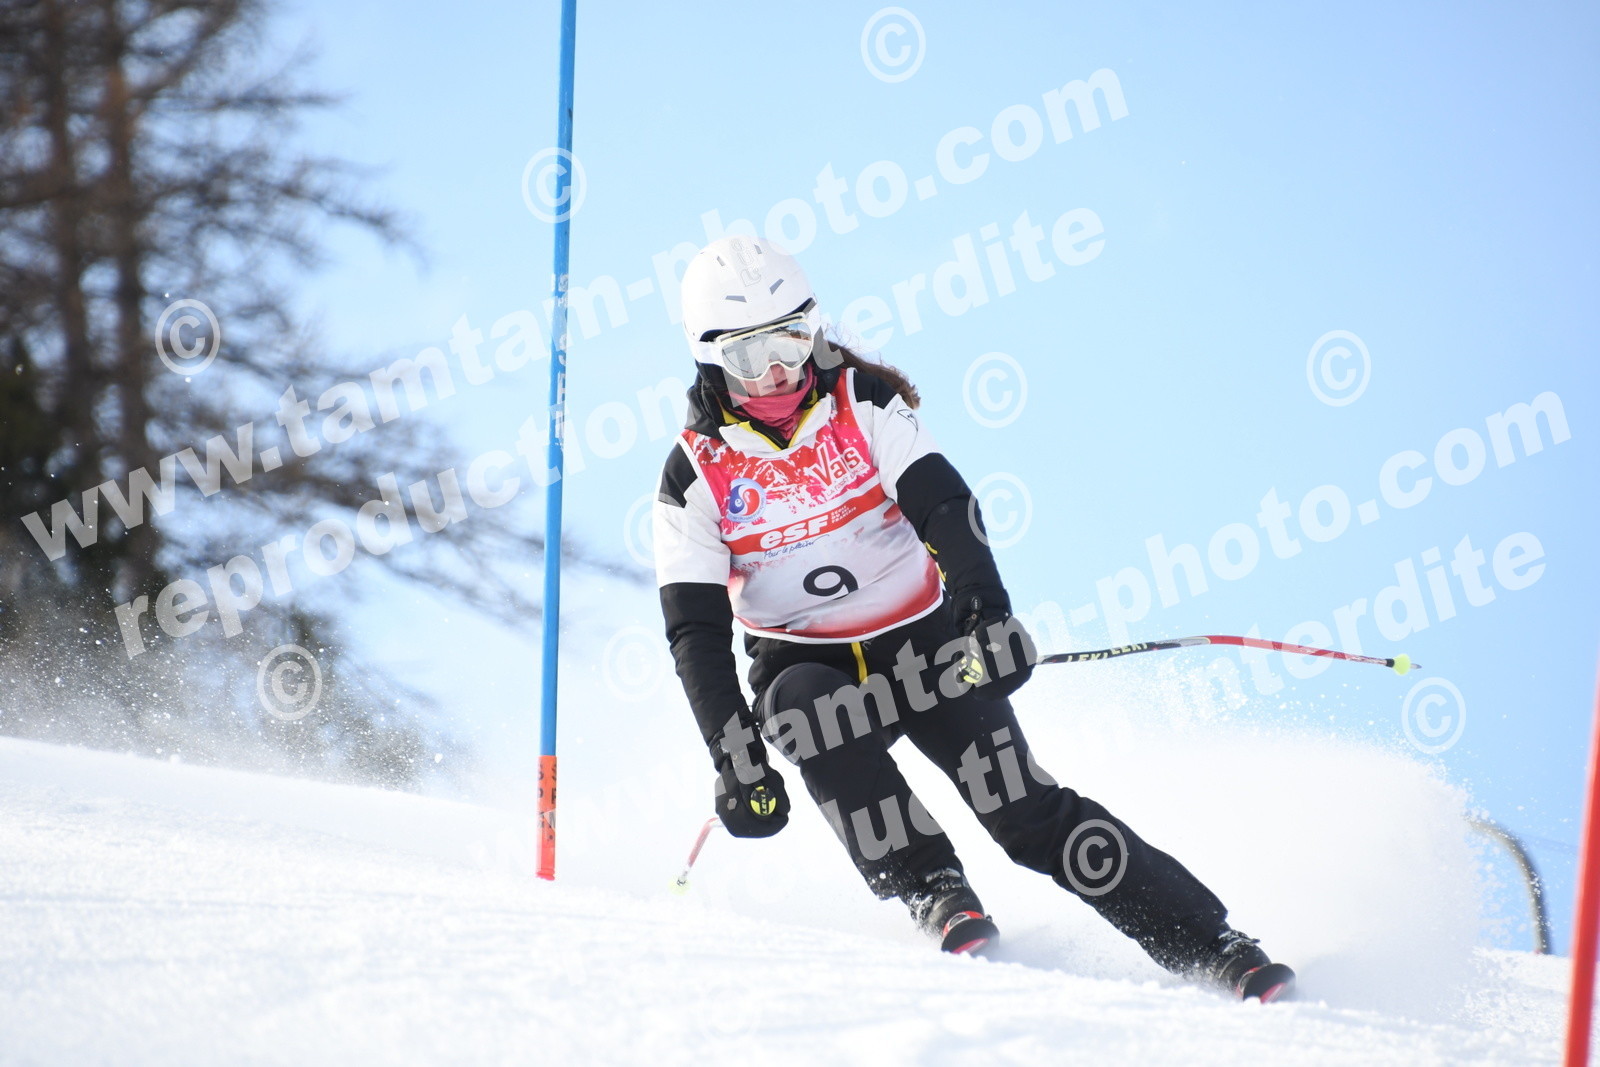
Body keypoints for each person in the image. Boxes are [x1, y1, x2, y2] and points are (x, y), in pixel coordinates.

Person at [651, 236, 1295, 1001]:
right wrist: (736, 758)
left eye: (790, 341)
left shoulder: (863, 404)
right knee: (804, 708)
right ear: (709, 356)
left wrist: (986, 615)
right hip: (804, 662)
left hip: (924, 646)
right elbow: (695, 632)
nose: (778, 374)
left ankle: (1214, 944)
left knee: (1025, 810)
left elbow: (945, 508)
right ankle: (931, 884)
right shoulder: (693, 474)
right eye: (750, 357)